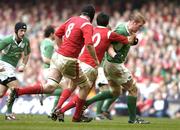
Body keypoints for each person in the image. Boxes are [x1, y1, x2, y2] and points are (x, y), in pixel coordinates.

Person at [8, 4, 99, 122]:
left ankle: (18, 91)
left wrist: (62, 48)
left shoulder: (71, 19)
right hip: (68, 60)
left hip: (57, 56)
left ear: (82, 13)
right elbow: (89, 44)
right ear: (92, 16)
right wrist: (95, 59)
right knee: (85, 86)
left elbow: (57, 34)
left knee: (50, 87)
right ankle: (76, 116)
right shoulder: (87, 25)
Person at [51, 12, 136, 122]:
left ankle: (59, 108)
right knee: (83, 93)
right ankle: (62, 111)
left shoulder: (91, 29)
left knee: (71, 87)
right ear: (107, 23)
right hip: (91, 66)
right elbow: (127, 40)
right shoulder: (109, 33)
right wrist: (133, 36)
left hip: (80, 62)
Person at [82, 11, 150, 124]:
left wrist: (133, 41)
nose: (140, 28)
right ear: (133, 22)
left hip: (109, 64)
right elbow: (109, 43)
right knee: (133, 89)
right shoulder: (121, 31)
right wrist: (114, 54)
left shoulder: (124, 27)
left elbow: (118, 37)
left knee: (116, 91)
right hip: (114, 64)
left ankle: (87, 103)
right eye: (139, 26)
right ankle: (133, 119)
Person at [0, 22, 30, 120]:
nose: (23, 33)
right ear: (16, 31)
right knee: (15, 87)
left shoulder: (26, 41)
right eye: (21, 30)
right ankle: (8, 113)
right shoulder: (7, 40)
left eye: (24, 31)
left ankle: (8, 113)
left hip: (11, 68)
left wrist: (23, 64)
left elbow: (27, 54)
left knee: (1, 94)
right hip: (4, 66)